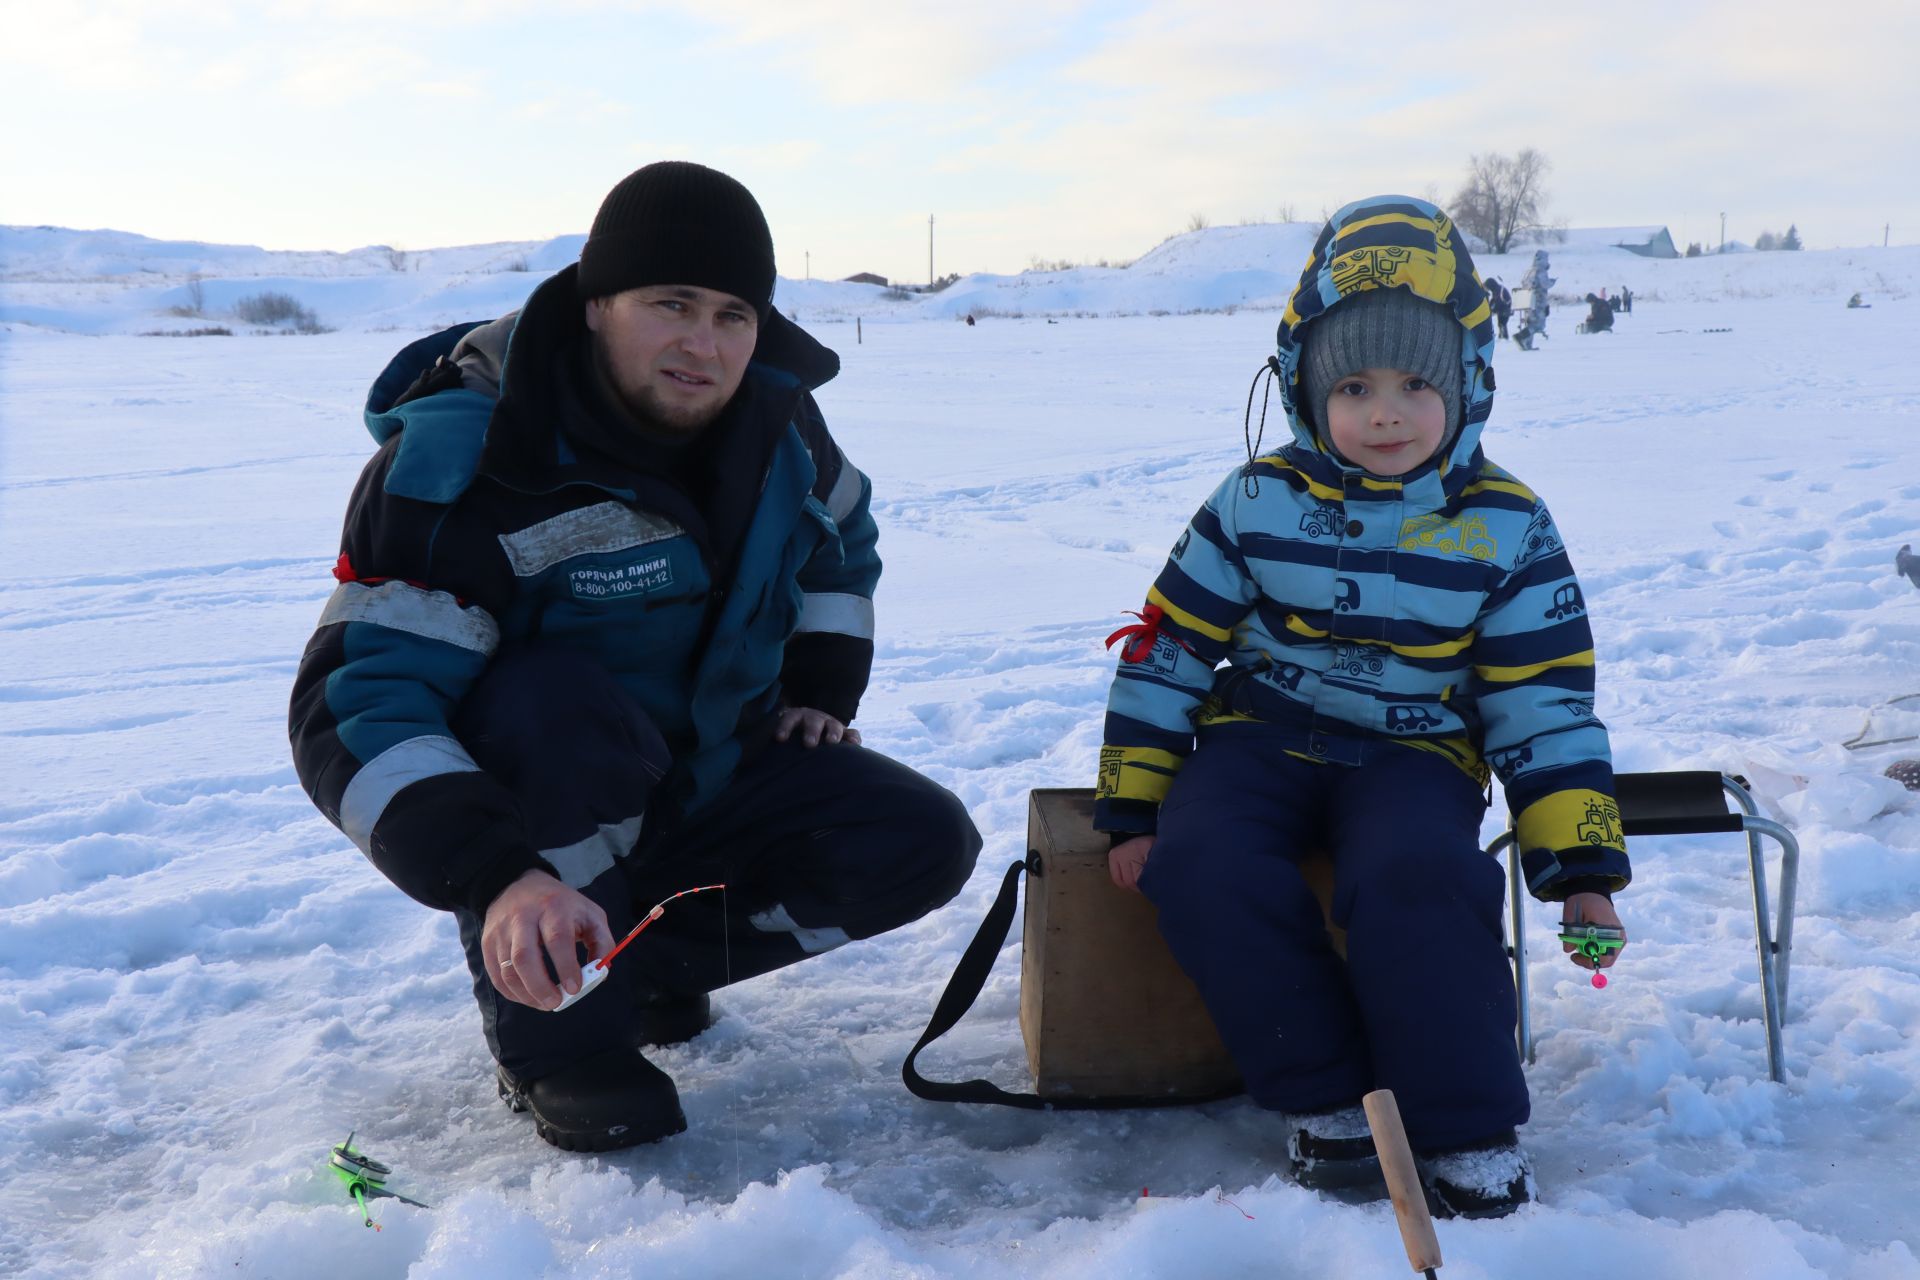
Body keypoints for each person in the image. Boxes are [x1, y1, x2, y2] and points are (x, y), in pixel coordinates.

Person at [290, 161, 981, 1153]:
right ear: (594, 304)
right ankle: (558, 1028)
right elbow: (360, 703)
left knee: (920, 838)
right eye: (671, 304)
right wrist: (499, 876)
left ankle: (637, 961)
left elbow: (843, 534)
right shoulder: (470, 459)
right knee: (550, 700)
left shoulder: (780, 424)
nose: (704, 344)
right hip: (551, 794)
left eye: (733, 314)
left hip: (711, 764)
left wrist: (820, 683)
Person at [1093, 196, 1629, 1219]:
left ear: (1469, 383)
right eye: (1353, 384)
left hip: (1417, 750)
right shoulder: (1252, 500)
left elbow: (1544, 700)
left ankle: (1464, 1118)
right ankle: (1327, 1093)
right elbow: (1166, 647)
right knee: (1203, 864)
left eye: (1416, 383)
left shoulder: (1507, 524)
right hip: (1256, 733)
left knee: (1417, 874)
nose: (1386, 411)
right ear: (1304, 388)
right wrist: (1132, 803)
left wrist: (1582, 868)